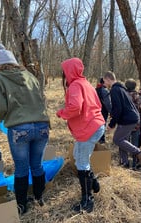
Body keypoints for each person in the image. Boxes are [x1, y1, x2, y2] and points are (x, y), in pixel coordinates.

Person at [0, 43, 50, 214]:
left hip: (19, 128)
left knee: (22, 168)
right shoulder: (30, 75)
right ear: (14, 61)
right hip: (42, 125)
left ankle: (22, 205)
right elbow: (41, 98)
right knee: (37, 165)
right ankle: (39, 198)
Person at [56, 57, 105, 213]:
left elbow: (75, 107)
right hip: (96, 124)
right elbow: (98, 105)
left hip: (87, 128)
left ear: (69, 72)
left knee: (82, 163)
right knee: (78, 156)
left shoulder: (75, 86)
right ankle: (94, 184)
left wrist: (62, 113)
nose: (63, 75)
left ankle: (87, 201)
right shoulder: (86, 84)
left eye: (64, 72)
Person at [103, 71, 141, 169]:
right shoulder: (121, 88)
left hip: (128, 119)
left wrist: (111, 124)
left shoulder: (115, 90)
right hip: (132, 118)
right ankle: (125, 162)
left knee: (117, 139)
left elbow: (118, 108)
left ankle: (140, 153)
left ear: (108, 79)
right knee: (123, 140)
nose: (104, 83)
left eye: (104, 81)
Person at [125, 78, 141, 168]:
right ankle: (134, 164)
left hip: (125, 124)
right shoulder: (137, 96)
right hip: (136, 124)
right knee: (135, 144)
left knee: (125, 143)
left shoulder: (123, 95)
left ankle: (125, 163)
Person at [95, 77, 112, 144]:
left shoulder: (96, 89)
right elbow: (108, 103)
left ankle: (97, 138)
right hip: (103, 110)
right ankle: (102, 139)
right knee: (102, 124)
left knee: (97, 125)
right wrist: (111, 111)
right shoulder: (105, 90)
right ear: (104, 82)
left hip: (96, 110)